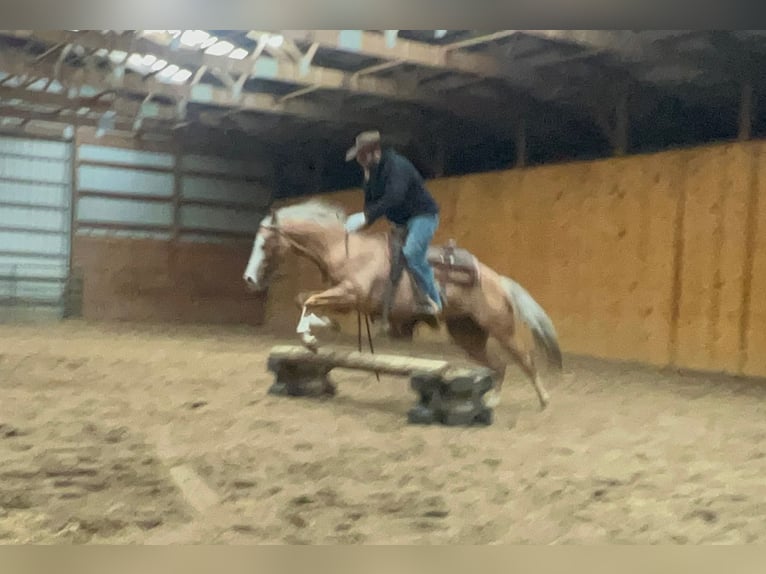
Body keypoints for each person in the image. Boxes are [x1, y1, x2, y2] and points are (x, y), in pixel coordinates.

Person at [343, 130, 442, 316]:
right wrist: (367, 184)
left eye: (362, 155)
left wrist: (366, 216)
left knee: (412, 254)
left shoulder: (397, 166)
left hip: (423, 216)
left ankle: (434, 300)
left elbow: (394, 197)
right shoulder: (373, 172)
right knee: (388, 259)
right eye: (359, 157)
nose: (360, 160)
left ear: (375, 151)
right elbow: (371, 203)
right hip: (400, 223)